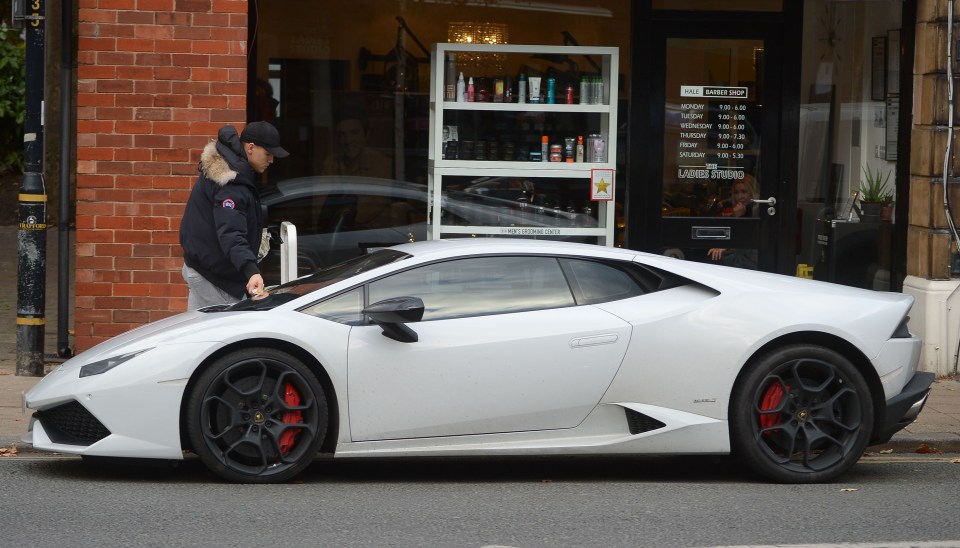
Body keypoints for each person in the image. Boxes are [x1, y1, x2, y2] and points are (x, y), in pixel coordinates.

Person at [180, 121, 289, 309]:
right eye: (268, 154)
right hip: (215, 279)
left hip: (204, 269)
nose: (271, 161)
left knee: (200, 333)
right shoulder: (230, 183)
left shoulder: (233, 171)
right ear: (251, 147)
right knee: (223, 335)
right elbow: (231, 232)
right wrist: (251, 271)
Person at [708, 173, 759, 269]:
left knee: (716, 258)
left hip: (752, 259)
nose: (740, 197)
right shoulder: (738, 210)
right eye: (736, 192)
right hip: (741, 253)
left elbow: (746, 240)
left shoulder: (757, 210)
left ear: (752, 192)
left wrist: (726, 247)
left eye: (744, 192)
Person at [320, 115, 392, 178]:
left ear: (366, 135)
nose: (348, 140)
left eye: (354, 133)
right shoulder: (331, 163)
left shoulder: (383, 165)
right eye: (342, 134)